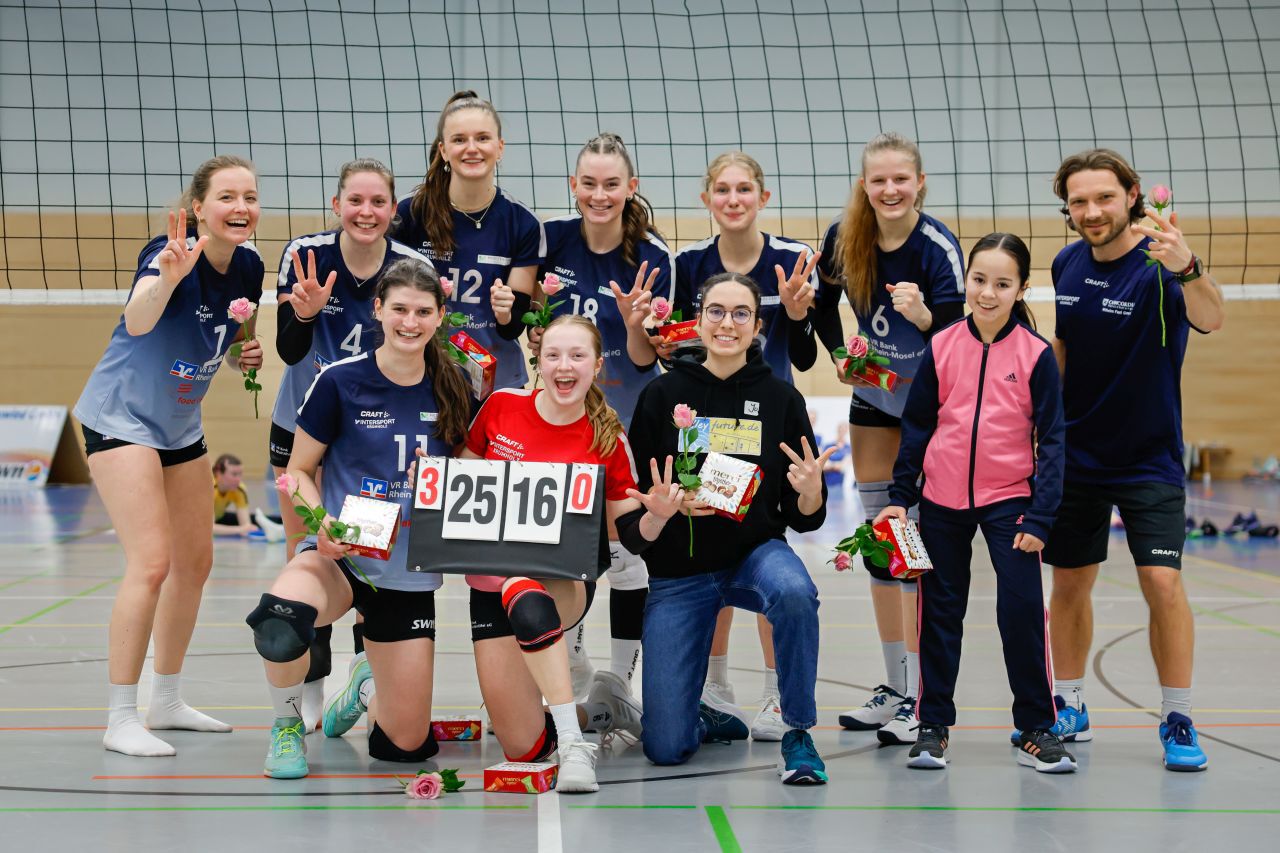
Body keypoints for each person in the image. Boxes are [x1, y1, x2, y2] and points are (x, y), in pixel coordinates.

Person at [246, 258, 471, 779]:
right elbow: (297, 472)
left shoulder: (456, 385)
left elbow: (469, 470)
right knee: (280, 622)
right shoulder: (339, 381)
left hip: (406, 571)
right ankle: (284, 726)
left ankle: (367, 686)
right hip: (341, 552)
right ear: (378, 310)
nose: (409, 322)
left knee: (405, 747)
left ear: (440, 316)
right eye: (398, 309)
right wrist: (320, 521)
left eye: (422, 311)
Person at [1039, 149, 1224, 772]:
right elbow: (1063, 347)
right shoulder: (1066, 262)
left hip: (1149, 458)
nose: (1092, 211)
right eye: (1080, 202)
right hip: (1078, 454)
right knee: (1069, 583)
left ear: (1131, 195)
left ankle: (1177, 716)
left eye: (1104, 198)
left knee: (1162, 583)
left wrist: (1189, 267)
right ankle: (1070, 705)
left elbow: (1213, 317)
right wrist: (1043, 430)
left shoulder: (1162, 265)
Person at [73, 155, 264, 756]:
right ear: (199, 207)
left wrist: (244, 358)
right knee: (151, 563)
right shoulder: (167, 250)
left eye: (250, 197)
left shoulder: (251, 266)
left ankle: (167, 697)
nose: (241, 207)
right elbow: (137, 319)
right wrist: (168, 278)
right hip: (121, 419)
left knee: (195, 563)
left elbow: (230, 344)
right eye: (227, 197)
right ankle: (120, 716)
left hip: (180, 427)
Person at [460, 315, 685, 793]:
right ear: (538, 361)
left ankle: (573, 745)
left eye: (577, 356)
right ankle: (600, 710)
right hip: (489, 584)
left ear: (597, 365)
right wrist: (434, 485)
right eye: (554, 355)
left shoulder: (606, 438)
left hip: (560, 580)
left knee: (528, 593)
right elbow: (466, 476)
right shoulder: (500, 407)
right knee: (521, 746)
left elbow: (631, 533)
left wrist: (659, 515)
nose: (565, 365)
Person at [876, 232, 1073, 772]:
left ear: (1022, 288)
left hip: (1011, 501)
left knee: (1022, 612)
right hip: (940, 499)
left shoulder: (1035, 355)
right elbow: (917, 425)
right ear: (967, 282)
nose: (988, 293)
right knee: (939, 612)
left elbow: (1053, 440)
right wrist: (900, 497)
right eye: (979, 280)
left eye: (1002, 283)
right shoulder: (942, 345)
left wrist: (1042, 515)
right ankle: (933, 724)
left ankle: (1036, 724)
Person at [628, 272, 832, 785]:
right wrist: (662, 508)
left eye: (741, 313)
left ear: (757, 325)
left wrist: (810, 490)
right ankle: (698, 715)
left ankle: (798, 732)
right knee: (665, 748)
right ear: (697, 321)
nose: (727, 323)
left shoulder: (782, 400)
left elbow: (805, 516)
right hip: (680, 571)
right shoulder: (661, 395)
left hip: (753, 554)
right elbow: (635, 513)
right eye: (716, 311)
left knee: (794, 591)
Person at [812, 132, 966, 745]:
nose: (890, 189)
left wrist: (929, 319)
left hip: (929, 409)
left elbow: (966, 337)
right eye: (878, 180)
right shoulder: (845, 237)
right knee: (882, 543)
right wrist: (837, 354)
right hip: (874, 395)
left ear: (920, 182)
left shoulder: (937, 250)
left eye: (901, 178)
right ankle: (897, 686)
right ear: (864, 185)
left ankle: (924, 698)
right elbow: (823, 305)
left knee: (915, 551)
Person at [270, 158, 431, 729]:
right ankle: (308, 690)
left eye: (378, 202)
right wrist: (305, 315)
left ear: (393, 210)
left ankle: (368, 679)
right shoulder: (305, 255)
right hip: (307, 429)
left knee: (375, 553)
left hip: (377, 428)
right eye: (355, 201)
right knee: (315, 554)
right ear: (337, 205)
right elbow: (289, 352)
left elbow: (428, 345)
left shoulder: (411, 267)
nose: (366, 212)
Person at [673, 151, 821, 743]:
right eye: (722, 190)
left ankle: (777, 694)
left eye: (744, 190)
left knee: (768, 547)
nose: (733, 200)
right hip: (706, 421)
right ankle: (713, 685)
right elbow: (679, 346)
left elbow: (808, 356)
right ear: (707, 198)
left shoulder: (793, 259)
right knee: (710, 542)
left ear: (763, 196)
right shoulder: (688, 264)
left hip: (769, 421)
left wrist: (796, 315)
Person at [540, 132, 673, 715]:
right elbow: (531, 325)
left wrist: (633, 327)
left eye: (611, 184)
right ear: (574, 186)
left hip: (626, 427)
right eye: (588, 183)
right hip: (563, 422)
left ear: (631, 188)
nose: (600, 194)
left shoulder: (654, 257)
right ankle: (568, 660)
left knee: (628, 557)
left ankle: (619, 684)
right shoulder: (549, 240)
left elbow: (649, 359)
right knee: (561, 552)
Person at [392, 89, 544, 393]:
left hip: (495, 382)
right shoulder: (410, 213)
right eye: (459, 139)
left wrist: (506, 310)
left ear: (500, 148)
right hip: (421, 378)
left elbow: (513, 326)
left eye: (483, 138)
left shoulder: (522, 222)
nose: (471, 148)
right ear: (443, 150)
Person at [211, 453, 284, 542]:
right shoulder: (210, 489)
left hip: (218, 517)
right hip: (201, 521)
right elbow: (209, 528)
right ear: (218, 473)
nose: (238, 479)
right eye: (234, 474)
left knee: (258, 519)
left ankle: (283, 527)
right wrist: (240, 529)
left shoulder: (239, 489)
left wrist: (245, 528)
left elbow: (246, 525)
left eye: (240, 474)